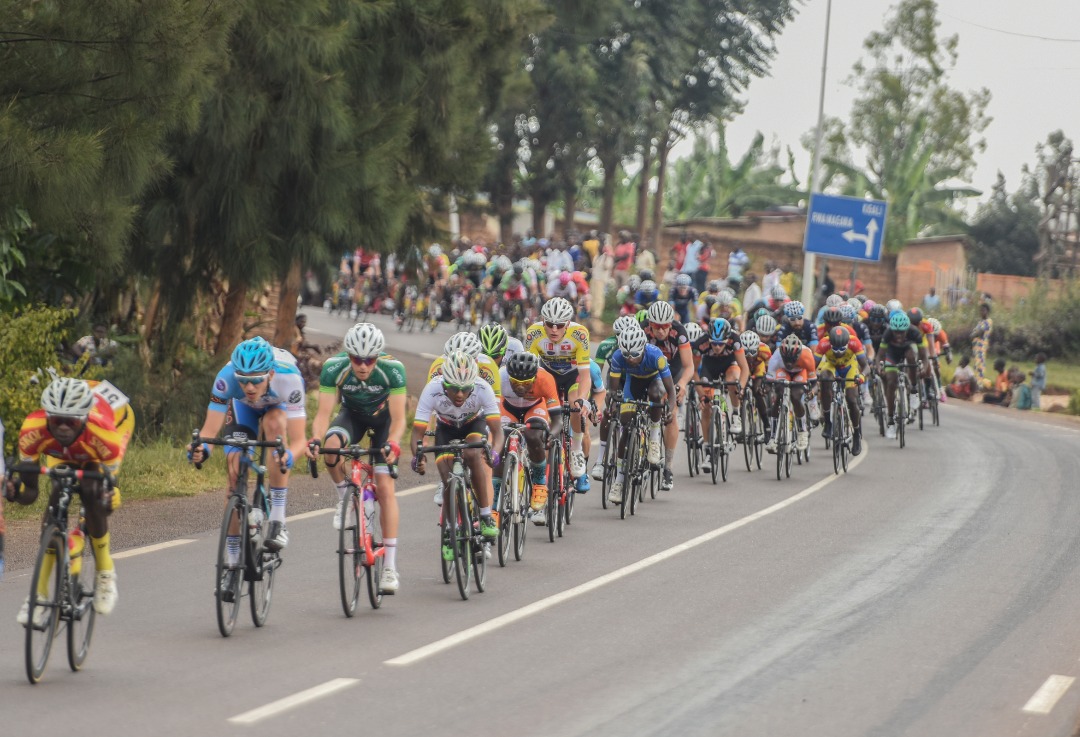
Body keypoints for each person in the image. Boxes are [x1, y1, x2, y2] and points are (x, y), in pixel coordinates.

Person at [7, 377, 135, 624]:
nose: (63, 427)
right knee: (56, 490)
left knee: (92, 490)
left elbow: (109, 495)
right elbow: (30, 493)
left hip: (116, 418)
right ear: (47, 417)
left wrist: (107, 498)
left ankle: (105, 572)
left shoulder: (102, 432)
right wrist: (14, 492)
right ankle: (38, 596)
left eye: (71, 422)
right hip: (68, 445)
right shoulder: (33, 428)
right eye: (57, 421)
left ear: (83, 419)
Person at [306, 324, 406, 593]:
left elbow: (399, 419)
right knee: (331, 447)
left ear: (377, 356)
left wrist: (394, 443)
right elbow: (323, 415)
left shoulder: (393, 369)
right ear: (348, 355)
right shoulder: (333, 368)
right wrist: (315, 439)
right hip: (352, 417)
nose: (362, 366)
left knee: (385, 487)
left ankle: (390, 568)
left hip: (384, 421)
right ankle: (345, 499)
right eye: (357, 359)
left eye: (369, 359)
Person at [190, 337, 307, 564]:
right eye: (243, 381)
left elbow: (300, 440)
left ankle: (277, 520)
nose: (249, 387)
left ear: (270, 375)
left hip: (276, 405)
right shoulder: (226, 379)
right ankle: (232, 560)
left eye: (256, 380)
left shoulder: (289, 378)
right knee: (233, 477)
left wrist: (289, 455)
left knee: (275, 430)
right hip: (243, 408)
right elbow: (209, 431)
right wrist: (201, 448)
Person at [410, 352, 503, 549]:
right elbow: (417, 432)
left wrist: (494, 452)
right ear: (444, 383)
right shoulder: (432, 389)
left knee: (472, 455)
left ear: (473, 384)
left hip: (473, 425)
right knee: (447, 478)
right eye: (453, 389)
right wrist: (417, 456)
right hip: (446, 428)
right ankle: (450, 530)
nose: (459, 394)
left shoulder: (482, 387)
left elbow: (497, 430)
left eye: (465, 389)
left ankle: (486, 516)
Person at [524, 297, 593, 489]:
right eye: (549, 324)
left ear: (568, 324)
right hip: (547, 376)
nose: (554, 329)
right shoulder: (533, 333)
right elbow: (529, 371)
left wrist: (583, 400)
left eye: (560, 325)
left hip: (572, 376)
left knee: (575, 405)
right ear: (543, 322)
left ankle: (577, 450)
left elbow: (585, 376)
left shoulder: (579, 334)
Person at [605, 326, 677, 505]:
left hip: (654, 380)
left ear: (643, 348)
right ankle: (619, 481)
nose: (630, 359)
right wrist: (612, 404)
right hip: (632, 383)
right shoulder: (618, 357)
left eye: (634, 354)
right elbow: (613, 391)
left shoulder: (656, 355)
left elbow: (671, 390)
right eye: (626, 355)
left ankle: (653, 437)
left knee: (656, 394)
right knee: (626, 429)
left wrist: (670, 409)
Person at [498, 352, 560, 526]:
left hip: (535, 408)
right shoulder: (500, 377)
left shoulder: (545, 379)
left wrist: (550, 434)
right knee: (500, 441)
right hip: (507, 409)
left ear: (534, 377)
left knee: (534, 436)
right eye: (515, 383)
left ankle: (539, 483)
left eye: (526, 384)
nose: (520, 388)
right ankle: (496, 497)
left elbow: (558, 420)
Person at [970, 302, 993, 390]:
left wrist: (974, 334)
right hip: (976, 347)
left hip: (981, 347)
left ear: (987, 311)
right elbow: (973, 333)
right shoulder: (981, 321)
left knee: (980, 366)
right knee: (976, 366)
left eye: (983, 310)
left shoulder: (988, 321)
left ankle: (979, 385)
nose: (981, 312)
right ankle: (976, 384)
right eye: (981, 310)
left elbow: (979, 332)